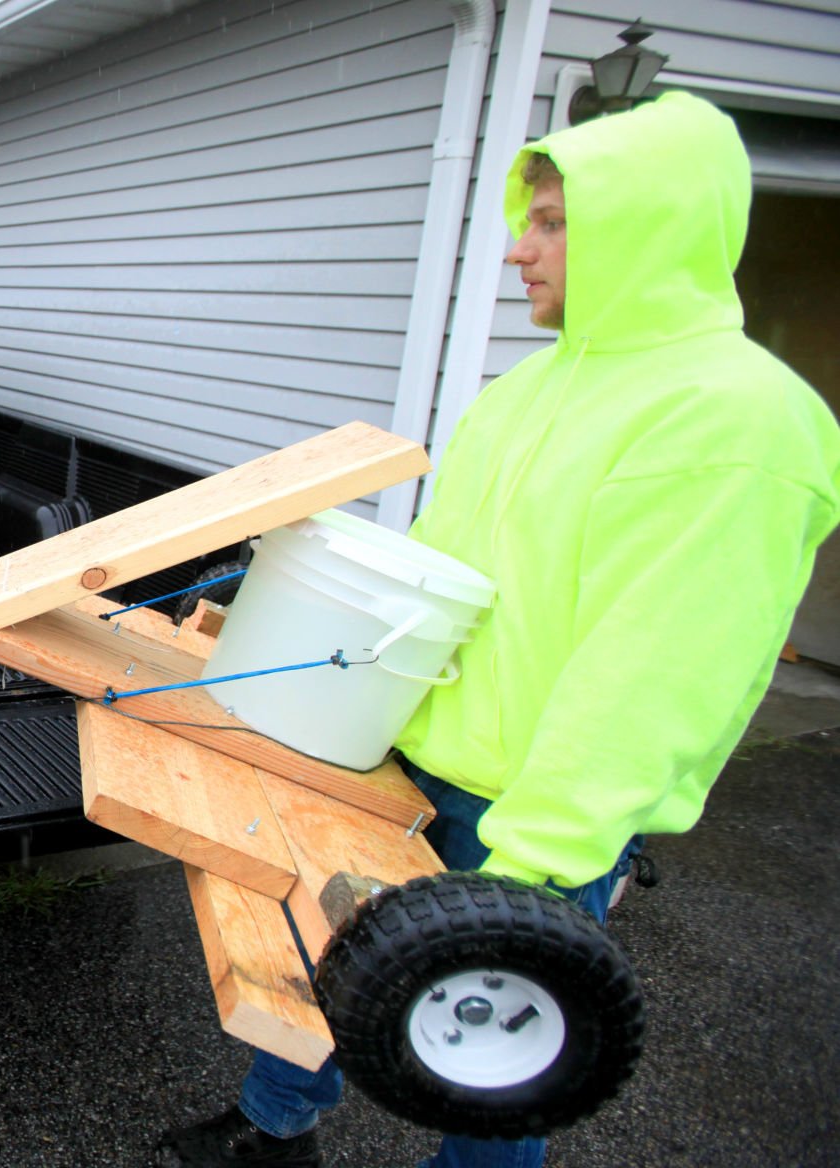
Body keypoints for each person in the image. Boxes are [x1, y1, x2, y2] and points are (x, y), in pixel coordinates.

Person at [152, 91, 840, 1168]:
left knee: (492, 1059)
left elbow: (662, 671)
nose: (521, 249)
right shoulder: (527, 389)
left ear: (650, 222)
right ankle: (273, 1131)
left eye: (555, 221)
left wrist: (534, 871)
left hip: (526, 814)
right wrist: (278, 624)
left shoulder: (737, 421)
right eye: (532, 219)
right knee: (318, 955)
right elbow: (427, 574)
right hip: (403, 754)